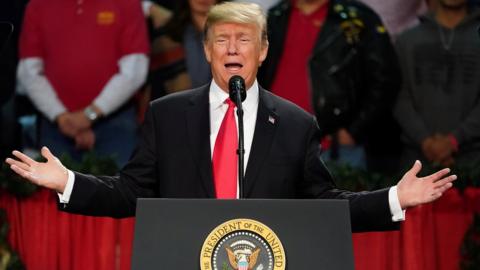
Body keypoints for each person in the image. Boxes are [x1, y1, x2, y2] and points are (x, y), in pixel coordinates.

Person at [6, 2, 456, 233]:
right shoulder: (168, 115)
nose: (233, 49)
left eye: (244, 40)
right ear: (207, 51)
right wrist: (68, 182)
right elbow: (129, 195)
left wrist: (394, 198)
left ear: (262, 51)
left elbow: (323, 204)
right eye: (221, 40)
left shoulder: (296, 124)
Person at [258, 0, 402, 173]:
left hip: (334, 148)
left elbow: (386, 78)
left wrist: (354, 130)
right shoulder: (274, 16)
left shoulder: (357, 18)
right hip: (275, 143)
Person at [16, 0, 149, 166]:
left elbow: (135, 70)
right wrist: (61, 116)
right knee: (56, 192)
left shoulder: (127, 3)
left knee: (121, 189)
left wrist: (90, 114)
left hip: (116, 123)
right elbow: (29, 72)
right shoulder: (37, 5)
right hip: (55, 126)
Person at [394, 0, 480, 168]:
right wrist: (425, 141)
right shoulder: (406, 40)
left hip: (474, 163)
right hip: (415, 162)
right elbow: (398, 97)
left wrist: (454, 140)